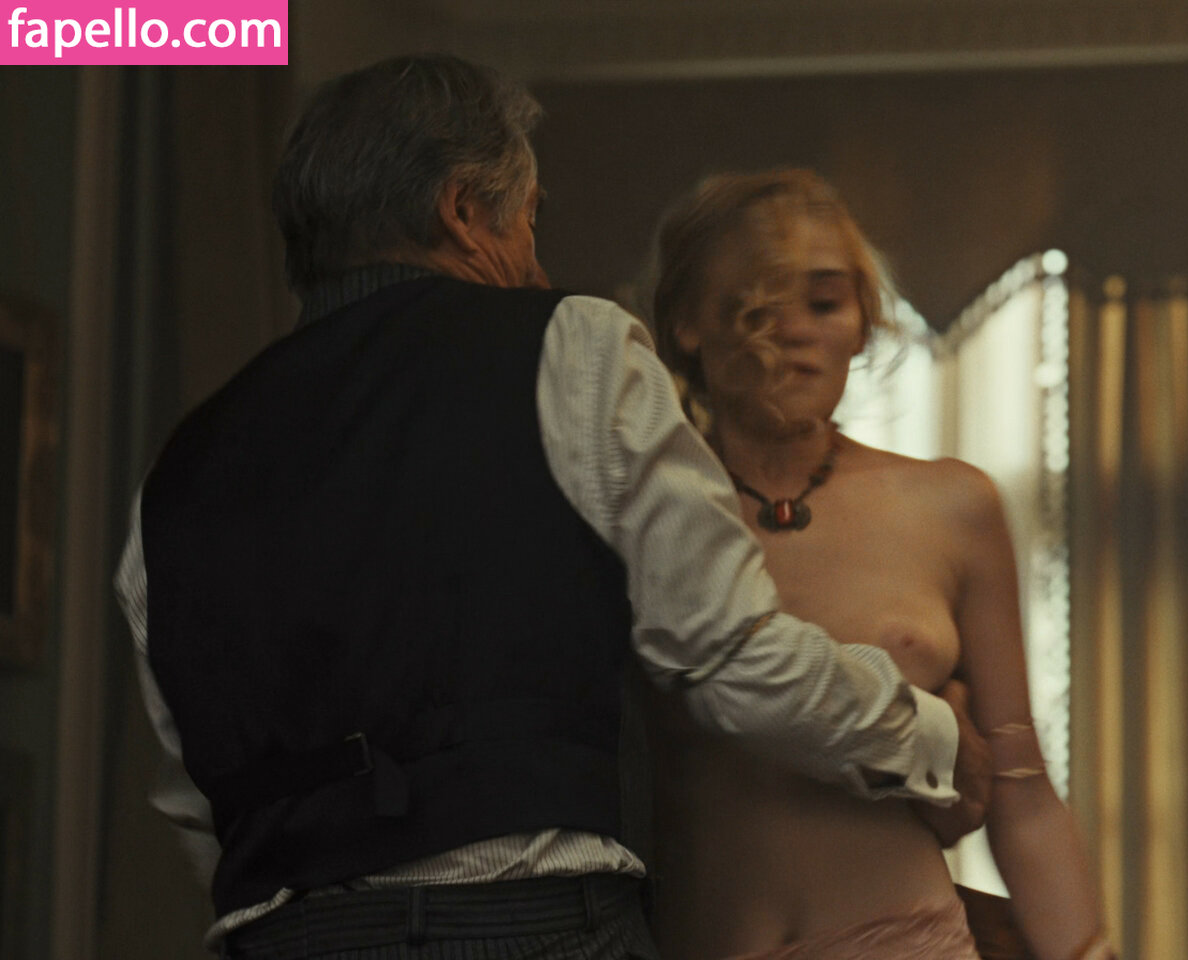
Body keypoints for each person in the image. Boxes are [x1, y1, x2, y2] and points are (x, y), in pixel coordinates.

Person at [114, 56, 988, 960]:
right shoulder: (571, 344)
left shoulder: (178, 471)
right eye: (529, 219)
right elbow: (727, 656)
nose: (536, 266)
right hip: (529, 928)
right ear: (462, 209)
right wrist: (932, 737)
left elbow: (195, 801)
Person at [639, 169, 1112, 960]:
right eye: (757, 303)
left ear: (862, 326)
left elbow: (1022, 793)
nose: (795, 331)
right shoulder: (639, 519)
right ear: (688, 321)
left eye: (825, 302)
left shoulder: (950, 507)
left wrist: (1091, 952)